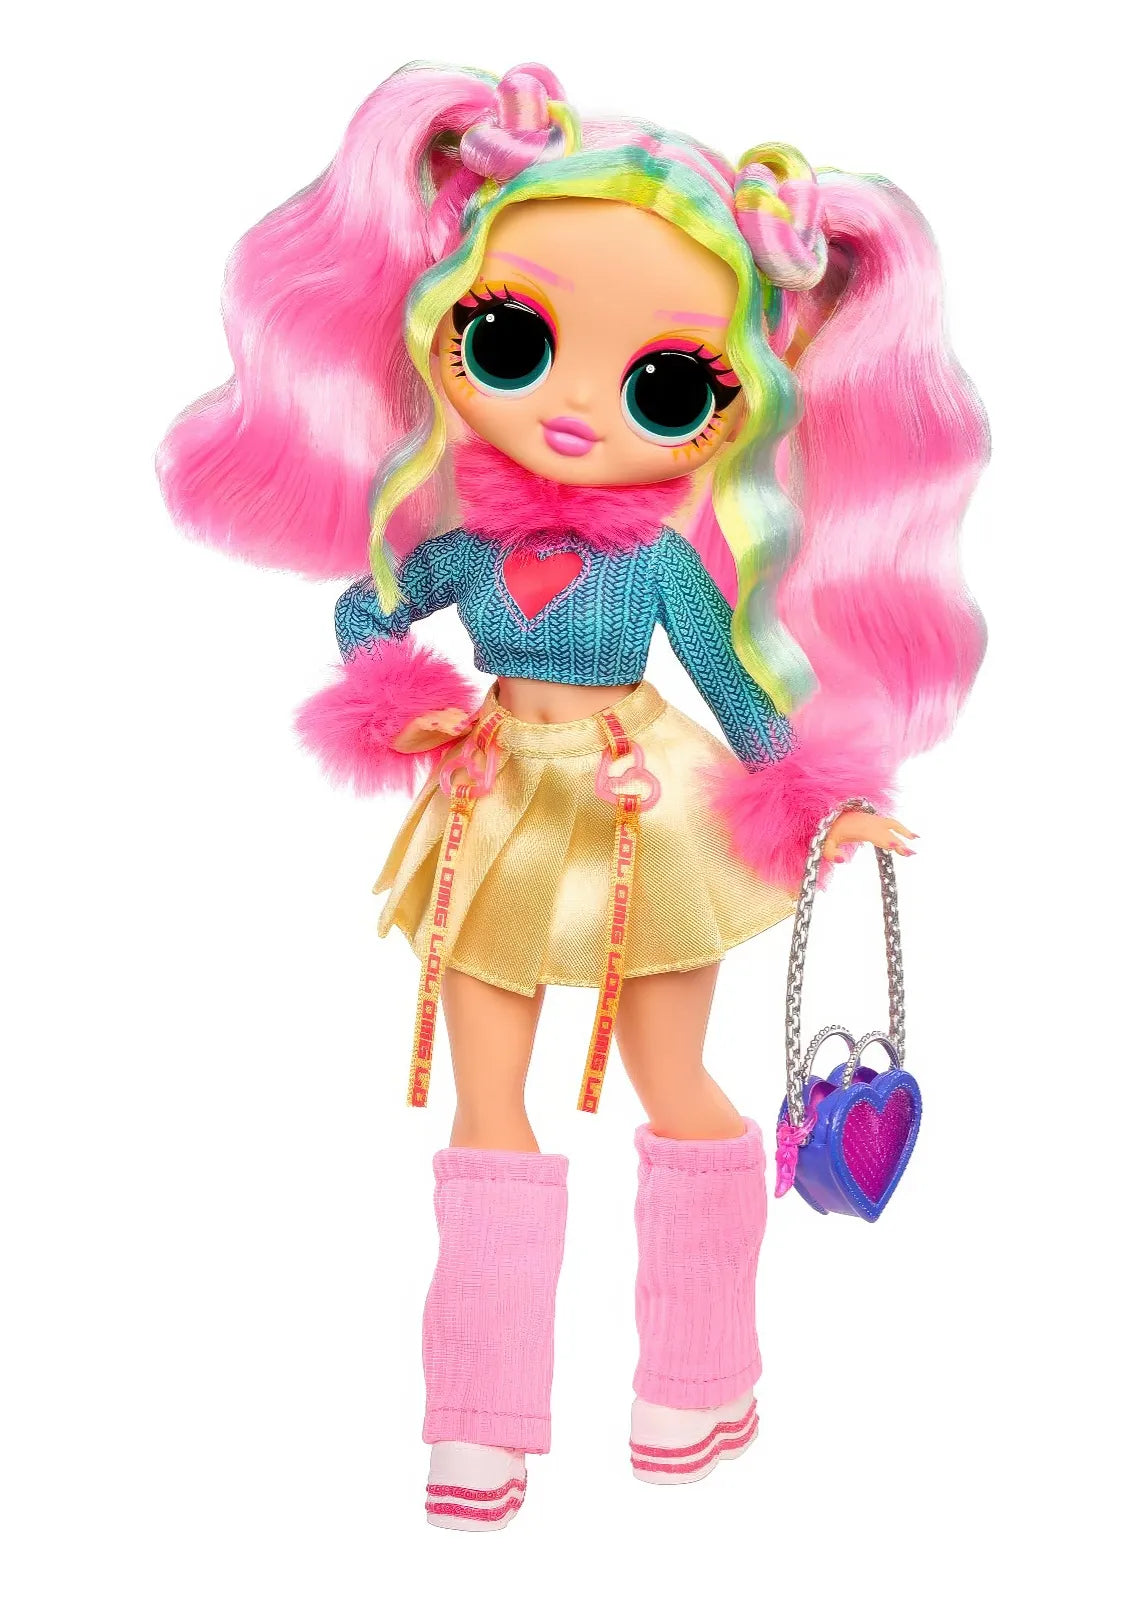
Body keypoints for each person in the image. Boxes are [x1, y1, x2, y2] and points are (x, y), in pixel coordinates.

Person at [158, 60, 987, 1530]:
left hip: (643, 814)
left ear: (731, 405)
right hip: (495, 808)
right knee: (488, 1101)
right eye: (513, 339)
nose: (575, 409)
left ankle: (697, 1376)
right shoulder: (466, 547)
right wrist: (402, 702)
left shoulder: (660, 563)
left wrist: (822, 800)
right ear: (441, 323)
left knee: (678, 1083)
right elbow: (365, 610)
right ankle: (476, 1425)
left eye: (666, 385)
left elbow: (736, 686)